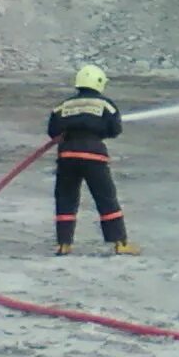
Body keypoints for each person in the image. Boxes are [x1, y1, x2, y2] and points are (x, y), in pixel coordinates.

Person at [47, 64, 140, 256]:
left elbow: (52, 131)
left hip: (67, 156)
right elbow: (115, 130)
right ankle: (120, 243)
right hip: (93, 155)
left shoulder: (63, 105)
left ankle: (64, 244)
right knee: (105, 198)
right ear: (99, 83)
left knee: (65, 198)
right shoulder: (105, 104)